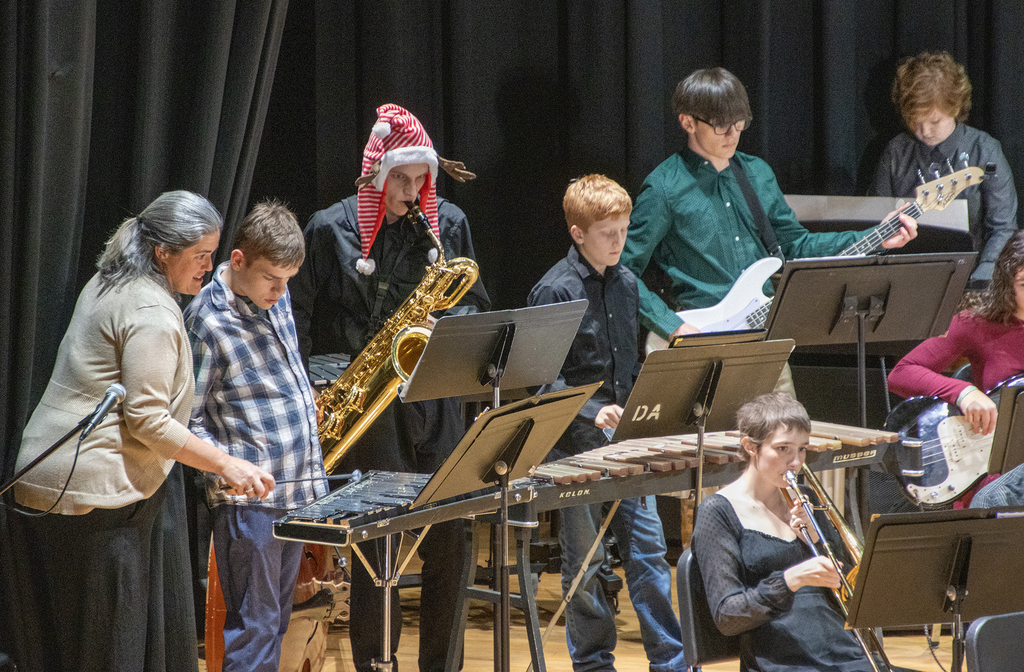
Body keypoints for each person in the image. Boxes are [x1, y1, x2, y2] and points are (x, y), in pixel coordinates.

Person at [6, 190, 275, 672]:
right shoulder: (150, 311)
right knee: (108, 650)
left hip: (49, 485)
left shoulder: (110, 280)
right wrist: (226, 463)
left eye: (212, 253)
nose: (208, 266)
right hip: (93, 497)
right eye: (200, 255)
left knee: (62, 647)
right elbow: (149, 421)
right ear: (162, 252)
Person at [290, 104, 490, 672]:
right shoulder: (328, 228)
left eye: (420, 179)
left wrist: (442, 329)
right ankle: (376, 664)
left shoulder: (447, 223)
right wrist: (314, 385)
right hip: (368, 405)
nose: (411, 192)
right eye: (400, 178)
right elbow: (297, 316)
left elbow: (476, 305)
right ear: (376, 174)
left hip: (435, 399)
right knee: (378, 545)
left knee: (453, 538)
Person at [621, 67, 919, 348]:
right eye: (721, 126)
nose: (733, 135)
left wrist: (877, 236)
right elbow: (621, 269)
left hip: (763, 334)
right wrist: (671, 324)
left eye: (739, 123)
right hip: (699, 336)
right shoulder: (664, 188)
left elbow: (796, 246)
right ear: (687, 122)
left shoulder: (757, 173)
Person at [527, 175, 686, 672]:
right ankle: (594, 663)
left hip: (623, 442)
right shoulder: (554, 290)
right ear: (578, 234)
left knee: (649, 554)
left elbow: (629, 366)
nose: (619, 241)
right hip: (573, 447)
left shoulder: (627, 284)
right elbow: (539, 380)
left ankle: (671, 661)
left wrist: (644, 407)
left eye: (624, 230)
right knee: (586, 561)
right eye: (607, 233)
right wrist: (593, 411)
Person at [184, 200, 329, 671]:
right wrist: (228, 470)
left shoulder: (275, 295)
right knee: (255, 630)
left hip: (297, 487)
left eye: (289, 279)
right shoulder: (206, 321)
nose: (281, 291)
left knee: (277, 624)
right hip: (251, 503)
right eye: (272, 278)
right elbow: (186, 422)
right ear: (239, 260)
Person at [690, 393, 880, 672]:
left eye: (802, 449)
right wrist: (791, 579)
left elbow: (851, 591)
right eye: (783, 449)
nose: (796, 462)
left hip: (843, 653)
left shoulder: (805, 497)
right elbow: (727, 615)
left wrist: (816, 540)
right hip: (781, 661)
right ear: (750, 447)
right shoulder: (718, 511)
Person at [869, 51, 1019, 287]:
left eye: (934, 121)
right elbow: (875, 220)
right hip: (904, 282)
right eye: (915, 121)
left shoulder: (984, 150)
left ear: (956, 107)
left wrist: (981, 280)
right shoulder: (896, 152)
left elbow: (1003, 228)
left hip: (972, 279)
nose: (924, 131)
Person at [888, 231, 1024, 436]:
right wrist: (963, 392)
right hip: (998, 450)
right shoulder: (977, 323)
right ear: (1007, 283)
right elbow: (902, 373)